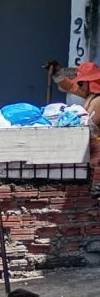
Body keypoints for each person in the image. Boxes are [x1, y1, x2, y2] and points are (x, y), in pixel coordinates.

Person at [52, 61, 100, 196]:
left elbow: (90, 128)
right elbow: (68, 85)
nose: (79, 86)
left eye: (82, 83)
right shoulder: (91, 96)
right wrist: (58, 72)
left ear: (91, 82)